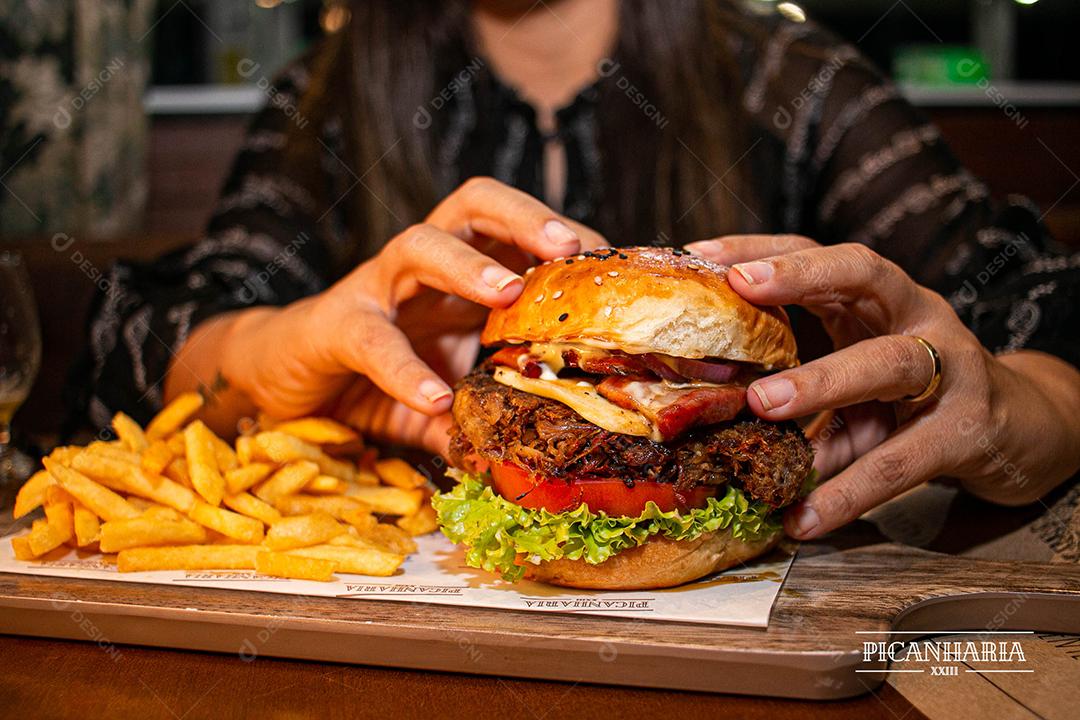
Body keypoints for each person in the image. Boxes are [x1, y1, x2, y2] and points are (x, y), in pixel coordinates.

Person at [74, 0, 1080, 542]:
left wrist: (1020, 412)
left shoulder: (797, 84)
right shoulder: (329, 100)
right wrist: (267, 345)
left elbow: (1035, 310)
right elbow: (137, 341)